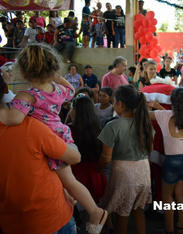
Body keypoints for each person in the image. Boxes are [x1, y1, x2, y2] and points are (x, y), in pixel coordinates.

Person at [0, 43, 108, 234]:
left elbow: (14, 118)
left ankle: (95, 211)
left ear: (23, 73)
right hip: (61, 133)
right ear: (53, 69)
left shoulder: (28, 95)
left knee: (70, 181)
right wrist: (55, 76)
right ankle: (76, 201)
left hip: (50, 138)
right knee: (64, 179)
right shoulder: (57, 90)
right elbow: (71, 89)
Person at [0, 74, 80, 234]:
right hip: (50, 217)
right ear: (5, 88)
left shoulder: (24, 112)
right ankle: (95, 211)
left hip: (12, 222)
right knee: (70, 181)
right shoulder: (32, 126)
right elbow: (75, 157)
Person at [98, 84, 153, 234]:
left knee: (122, 214)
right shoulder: (145, 123)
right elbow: (150, 149)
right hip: (143, 170)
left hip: (124, 173)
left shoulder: (113, 126)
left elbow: (105, 158)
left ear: (120, 103)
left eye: (114, 101)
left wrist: (100, 168)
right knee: (138, 209)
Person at [149, 87, 183, 234]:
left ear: (171, 101)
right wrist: (159, 108)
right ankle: (181, 228)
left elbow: (143, 114)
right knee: (182, 194)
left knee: (168, 196)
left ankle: (169, 229)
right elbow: (176, 115)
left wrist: (150, 105)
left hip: (173, 159)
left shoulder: (164, 114)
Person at [68, 95, 107, 205]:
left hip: (77, 176)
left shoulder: (69, 130)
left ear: (75, 111)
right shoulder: (97, 128)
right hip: (96, 175)